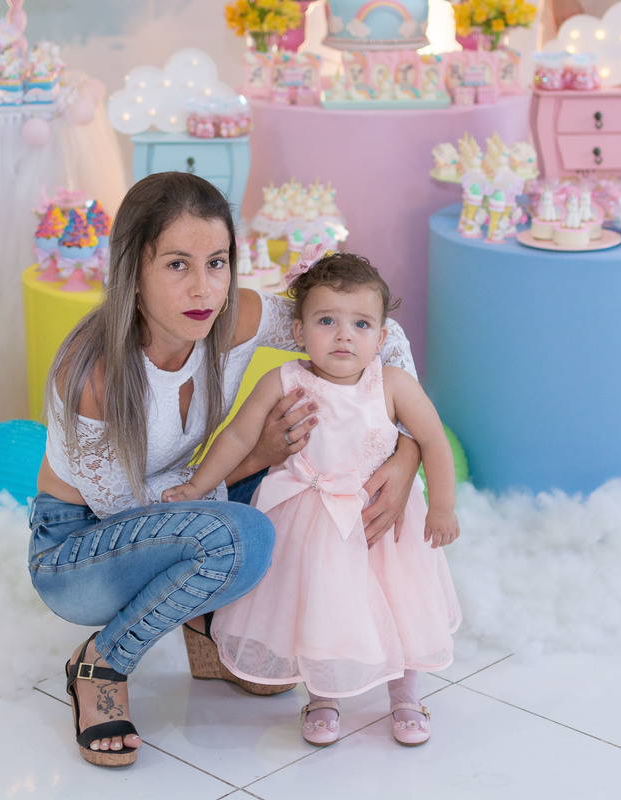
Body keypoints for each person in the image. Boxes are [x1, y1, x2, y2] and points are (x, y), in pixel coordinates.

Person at [27, 172, 424, 767]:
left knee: (313, 484)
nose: (204, 288)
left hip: (185, 503)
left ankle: (207, 624)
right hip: (81, 549)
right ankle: (102, 661)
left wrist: (407, 451)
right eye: (177, 265)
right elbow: (131, 511)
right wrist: (257, 458)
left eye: (217, 263)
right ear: (133, 270)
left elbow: (377, 333)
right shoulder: (94, 373)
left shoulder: (234, 316)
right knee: (246, 535)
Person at [162, 246, 462, 748]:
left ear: (381, 337)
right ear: (299, 332)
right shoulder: (284, 380)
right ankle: (323, 697)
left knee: (398, 604)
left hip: (379, 524)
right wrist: (197, 485)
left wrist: (443, 506)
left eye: (361, 324)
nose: (344, 335)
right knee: (321, 609)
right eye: (327, 321)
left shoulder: (391, 383)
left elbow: (433, 440)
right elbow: (237, 437)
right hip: (312, 521)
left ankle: (406, 697)